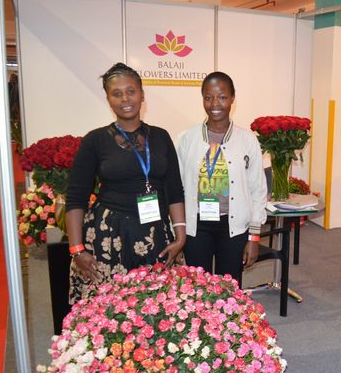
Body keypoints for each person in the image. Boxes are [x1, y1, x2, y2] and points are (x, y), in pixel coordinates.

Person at [66, 63, 186, 304]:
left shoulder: (161, 136)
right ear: (108, 99)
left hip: (156, 233)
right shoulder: (95, 140)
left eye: (131, 91)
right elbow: (76, 197)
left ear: (142, 95)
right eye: (116, 93)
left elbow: (174, 189)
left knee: (158, 307)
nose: (125, 99)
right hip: (110, 236)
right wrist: (77, 249)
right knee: (110, 309)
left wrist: (180, 238)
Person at [176, 71, 267, 286]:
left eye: (222, 97)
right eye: (208, 97)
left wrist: (254, 238)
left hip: (233, 226)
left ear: (233, 98)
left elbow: (258, 190)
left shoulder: (247, 140)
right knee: (198, 287)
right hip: (197, 225)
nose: (215, 104)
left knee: (229, 287)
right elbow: (177, 189)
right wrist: (178, 234)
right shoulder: (186, 138)